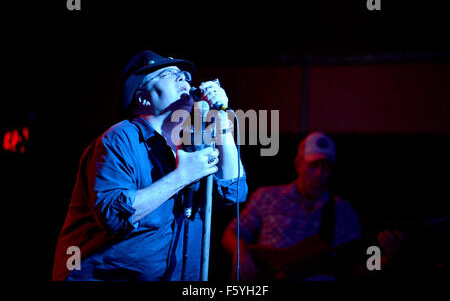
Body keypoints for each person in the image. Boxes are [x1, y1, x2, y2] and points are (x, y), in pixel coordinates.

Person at [52, 50, 247, 281]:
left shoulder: (192, 143)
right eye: (169, 73)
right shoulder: (119, 139)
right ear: (142, 96)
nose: (183, 78)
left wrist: (221, 119)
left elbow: (234, 192)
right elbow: (114, 215)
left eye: (185, 75)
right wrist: (181, 176)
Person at [222, 132, 403, 281]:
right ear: (298, 164)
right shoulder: (267, 196)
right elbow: (230, 233)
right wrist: (241, 253)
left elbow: (356, 267)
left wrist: (387, 259)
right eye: (313, 165)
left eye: (326, 167)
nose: (319, 173)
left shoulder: (343, 211)